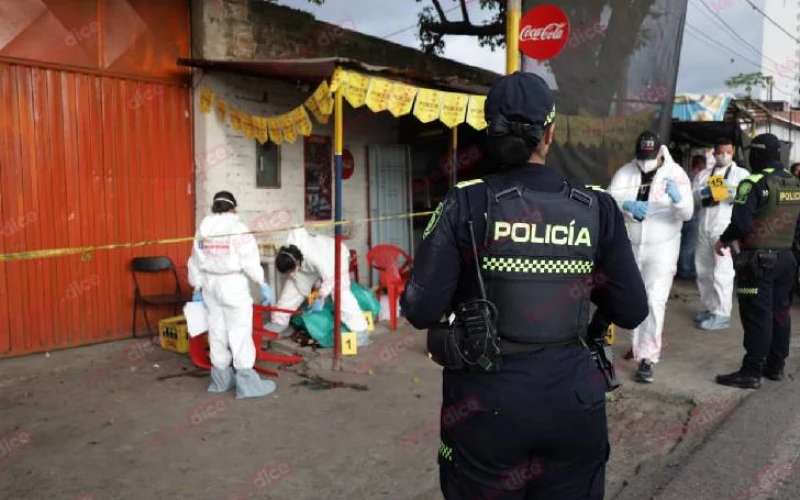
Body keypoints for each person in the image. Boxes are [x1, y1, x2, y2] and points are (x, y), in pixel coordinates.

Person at [400, 71, 648, 500]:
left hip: (486, 403)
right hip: (573, 400)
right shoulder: (597, 207)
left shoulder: (464, 201)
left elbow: (419, 308)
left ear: (489, 134)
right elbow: (632, 310)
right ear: (549, 133)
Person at [714, 134, 800, 389]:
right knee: (780, 312)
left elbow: (741, 224)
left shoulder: (751, 183)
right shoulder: (794, 183)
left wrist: (723, 241)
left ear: (757, 155)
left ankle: (751, 372)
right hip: (786, 259)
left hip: (758, 262)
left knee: (757, 315)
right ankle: (775, 367)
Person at [607, 131, 694, 383]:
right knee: (633, 297)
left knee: (655, 300)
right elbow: (609, 196)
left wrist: (677, 200)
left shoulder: (676, 174)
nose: (645, 161)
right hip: (632, 245)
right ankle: (638, 345)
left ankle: (648, 358)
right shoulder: (627, 170)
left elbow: (687, 213)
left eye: (649, 156)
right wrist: (626, 204)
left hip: (663, 247)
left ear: (659, 152)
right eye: (641, 156)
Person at [187, 191, 277, 399]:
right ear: (233, 208)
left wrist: (197, 286)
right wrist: (262, 283)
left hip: (210, 285)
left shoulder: (203, 229)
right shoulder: (238, 229)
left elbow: (195, 260)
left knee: (217, 331)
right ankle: (247, 384)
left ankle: (220, 381)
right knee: (239, 332)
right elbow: (250, 261)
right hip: (232, 284)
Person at [265, 227, 370, 345]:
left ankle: (360, 330)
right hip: (307, 261)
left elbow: (330, 277)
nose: (290, 273)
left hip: (334, 256)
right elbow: (295, 272)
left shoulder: (315, 258)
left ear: (296, 262)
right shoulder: (290, 250)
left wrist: (321, 295)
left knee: (340, 293)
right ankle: (279, 321)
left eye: (291, 270)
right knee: (293, 286)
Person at [692, 138, 750, 330]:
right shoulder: (704, 174)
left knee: (722, 272)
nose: (724, 155)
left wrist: (724, 191)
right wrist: (704, 192)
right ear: (714, 152)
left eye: (728, 152)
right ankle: (710, 307)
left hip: (724, 228)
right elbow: (693, 195)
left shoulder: (741, 174)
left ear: (732, 152)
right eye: (720, 152)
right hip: (704, 225)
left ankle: (722, 313)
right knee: (703, 269)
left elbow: (745, 195)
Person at [677, 154, 710, 279]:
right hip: (694, 215)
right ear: (700, 164)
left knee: (682, 243)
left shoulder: (685, 176)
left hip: (683, 215)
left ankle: (683, 268)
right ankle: (686, 270)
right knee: (689, 245)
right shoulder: (700, 177)